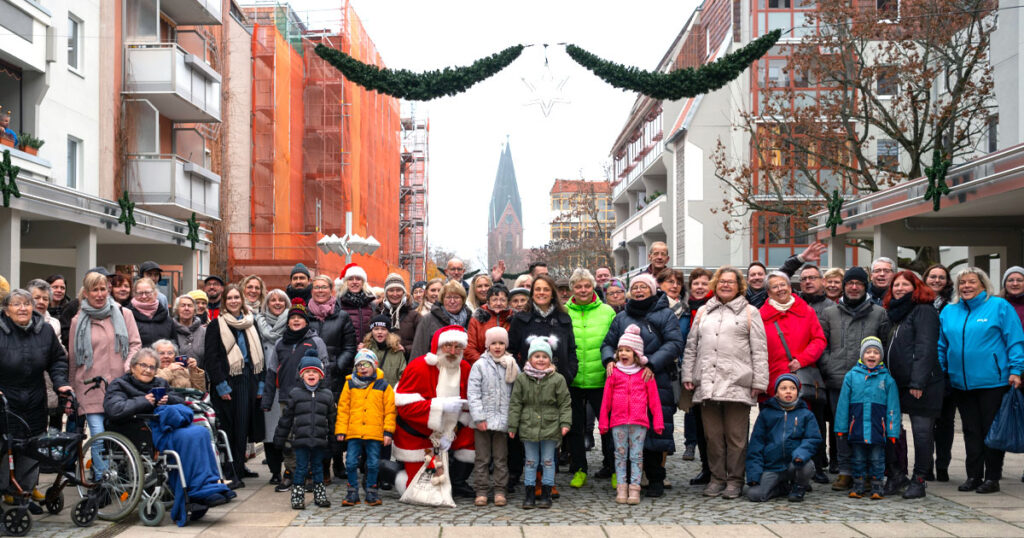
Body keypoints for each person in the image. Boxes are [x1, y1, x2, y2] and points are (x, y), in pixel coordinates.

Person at [103, 348, 233, 522]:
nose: (148, 370)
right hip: (140, 431)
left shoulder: (159, 383)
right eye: (143, 365)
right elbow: (114, 410)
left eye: (152, 367)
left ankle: (208, 485)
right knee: (187, 438)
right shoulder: (119, 385)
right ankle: (194, 492)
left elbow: (179, 399)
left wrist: (167, 399)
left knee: (201, 432)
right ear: (133, 367)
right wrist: (144, 401)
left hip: (164, 427)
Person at [682, 267, 769, 499]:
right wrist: (688, 375)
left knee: (736, 437)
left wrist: (760, 381)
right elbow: (691, 347)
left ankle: (735, 480)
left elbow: (759, 350)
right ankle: (716, 477)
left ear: (739, 285)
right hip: (707, 383)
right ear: (715, 285)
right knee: (712, 437)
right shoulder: (703, 312)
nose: (726, 285)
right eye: (722, 282)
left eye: (731, 282)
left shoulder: (750, 312)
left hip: (737, 382)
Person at [938, 267, 1024, 494]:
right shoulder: (949, 311)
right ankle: (973, 475)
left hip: (993, 382)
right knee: (971, 431)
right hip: (961, 383)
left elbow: (1014, 340)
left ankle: (992, 477)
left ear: (983, 285)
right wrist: (941, 370)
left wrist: (1016, 370)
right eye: (962, 282)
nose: (966, 286)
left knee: (990, 431)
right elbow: (942, 345)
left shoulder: (999, 307)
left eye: (971, 282)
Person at [602, 273, 684, 497]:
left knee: (655, 429)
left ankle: (655, 477)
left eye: (643, 287)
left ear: (652, 290)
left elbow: (675, 343)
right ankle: (629, 480)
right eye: (635, 287)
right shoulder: (622, 317)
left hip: (654, 378)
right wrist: (609, 360)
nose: (639, 291)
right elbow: (608, 343)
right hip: (625, 381)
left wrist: (652, 363)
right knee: (629, 427)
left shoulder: (665, 314)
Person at [818, 266, 889, 491]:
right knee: (842, 428)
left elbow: (885, 345)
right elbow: (822, 343)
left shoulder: (878, 313)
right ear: (844, 286)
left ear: (865, 285)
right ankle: (846, 471)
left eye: (859, 283)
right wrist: (829, 366)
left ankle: (868, 472)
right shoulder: (830, 312)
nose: (854, 287)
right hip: (838, 380)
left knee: (868, 428)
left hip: (870, 382)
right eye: (850, 283)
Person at [0, 289, 71, 512]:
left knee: (32, 446)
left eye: (27, 304)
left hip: (34, 397)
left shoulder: (45, 330)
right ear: (6, 310)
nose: (23, 308)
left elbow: (58, 359)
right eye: (17, 304)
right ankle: (3, 492)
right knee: (4, 448)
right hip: (4, 398)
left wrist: (60, 382)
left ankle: (23, 494)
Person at [68, 271, 142, 479]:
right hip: (90, 385)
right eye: (94, 290)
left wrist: (129, 364)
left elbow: (135, 343)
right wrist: (72, 389)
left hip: (119, 385)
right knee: (98, 434)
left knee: (118, 435)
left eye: (102, 289)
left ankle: (122, 475)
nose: (99, 294)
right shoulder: (78, 320)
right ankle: (102, 480)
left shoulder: (124, 314)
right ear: (86, 293)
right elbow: (74, 357)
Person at [392, 326, 476, 498]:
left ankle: (458, 481)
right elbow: (404, 407)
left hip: (450, 430)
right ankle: (389, 472)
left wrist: (453, 430)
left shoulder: (465, 368)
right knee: (421, 492)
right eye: (448, 346)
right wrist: (441, 406)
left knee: (473, 436)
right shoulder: (419, 366)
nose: (453, 352)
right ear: (438, 346)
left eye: (458, 347)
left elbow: (468, 407)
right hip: (418, 434)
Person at [881, 270, 943, 498]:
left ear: (916, 287)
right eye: (895, 285)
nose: (899, 288)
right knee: (893, 430)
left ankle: (919, 479)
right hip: (895, 384)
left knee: (922, 433)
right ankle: (897, 474)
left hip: (922, 384)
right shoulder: (894, 314)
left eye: (905, 285)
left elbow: (925, 348)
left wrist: (918, 381)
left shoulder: (924, 311)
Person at [263, 299, 329, 491]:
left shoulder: (316, 342)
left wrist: (325, 393)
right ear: (288, 322)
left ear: (306, 321)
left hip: (310, 397)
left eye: (300, 317)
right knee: (288, 439)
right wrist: (267, 399)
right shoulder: (280, 343)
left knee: (307, 437)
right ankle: (292, 472)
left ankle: (308, 474)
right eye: (293, 318)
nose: (296, 320)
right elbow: (272, 371)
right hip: (286, 397)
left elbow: (325, 368)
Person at [204, 284, 264, 487]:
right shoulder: (216, 325)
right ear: (224, 302)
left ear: (242, 300)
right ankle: (232, 471)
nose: (233, 301)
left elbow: (260, 354)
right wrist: (221, 385)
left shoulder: (250, 323)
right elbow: (211, 359)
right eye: (229, 298)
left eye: (236, 297)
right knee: (230, 429)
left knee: (244, 427)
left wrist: (260, 385)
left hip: (248, 379)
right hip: (228, 382)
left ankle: (240, 466)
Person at [599, 325, 664, 505]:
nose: (623, 354)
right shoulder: (614, 373)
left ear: (636, 354)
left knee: (636, 456)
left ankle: (634, 488)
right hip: (618, 421)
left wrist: (658, 422)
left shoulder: (645, 373)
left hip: (639, 421)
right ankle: (622, 487)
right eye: (620, 350)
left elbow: (654, 401)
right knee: (620, 455)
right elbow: (606, 400)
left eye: (628, 350)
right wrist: (603, 421)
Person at [564, 268, 616, 488]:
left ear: (593, 286)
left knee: (608, 426)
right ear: (572, 289)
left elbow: (614, 341)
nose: (583, 290)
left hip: (602, 377)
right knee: (575, 427)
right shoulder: (564, 312)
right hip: (573, 378)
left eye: (587, 285)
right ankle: (579, 468)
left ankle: (613, 467)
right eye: (578, 286)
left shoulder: (607, 311)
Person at [508, 335, 571, 509]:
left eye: (544, 357)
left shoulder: (557, 379)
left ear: (549, 359)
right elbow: (516, 403)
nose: (541, 360)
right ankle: (529, 493)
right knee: (530, 461)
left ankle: (546, 492)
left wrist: (565, 423)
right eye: (537, 356)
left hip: (550, 426)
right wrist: (512, 425)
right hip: (528, 426)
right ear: (530, 358)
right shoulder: (522, 379)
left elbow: (565, 403)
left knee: (548, 461)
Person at [835, 336, 901, 499]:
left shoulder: (887, 380)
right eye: (868, 352)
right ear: (862, 355)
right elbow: (843, 405)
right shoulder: (851, 376)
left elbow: (893, 408)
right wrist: (841, 429)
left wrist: (892, 432)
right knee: (857, 459)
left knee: (877, 459)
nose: (872, 355)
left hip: (877, 429)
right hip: (856, 428)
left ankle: (877, 486)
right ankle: (858, 485)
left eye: (876, 352)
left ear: (881, 356)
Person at [746, 373, 822, 503]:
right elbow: (756, 444)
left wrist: (800, 454)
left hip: (794, 464)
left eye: (792, 388)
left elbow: (812, 439)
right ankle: (783, 488)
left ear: (797, 392)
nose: (788, 391)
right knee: (754, 494)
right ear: (776, 393)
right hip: (772, 466)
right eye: (783, 388)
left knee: (807, 465)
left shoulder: (806, 414)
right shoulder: (766, 414)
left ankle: (799, 486)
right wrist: (754, 475)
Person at [335, 349, 396, 507]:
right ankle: (352, 491)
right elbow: (343, 409)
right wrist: (341, 430)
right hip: (354, 432)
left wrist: (388, 432)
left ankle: (371, 490)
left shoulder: (383, 386)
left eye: (366, 364)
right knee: (350, 462)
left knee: (373, 463)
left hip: (374, 433)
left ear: (374, 366)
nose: (362, 367)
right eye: (359, 365)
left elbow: (390, 410)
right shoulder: (349, 384)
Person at [467, 326, 519, 506]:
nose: (497, 347)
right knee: (482, 458)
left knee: (500, 458)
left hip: (503, 420)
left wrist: (513, 421)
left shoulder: (512, 365)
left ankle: (499, 490)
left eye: (501, 343)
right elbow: (473, 393)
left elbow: (516, 395)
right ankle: (481, 490)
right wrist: (479, 417)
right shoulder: (479, 365)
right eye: (494, 343)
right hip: (483, 421)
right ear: (487, 345)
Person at [275, 355, 335, 510]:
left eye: (314, 372)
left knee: (318, 468)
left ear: (321, 375)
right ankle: (297, 496)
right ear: (302, 375)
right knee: (300, 468)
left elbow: (333, 419)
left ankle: (320, 495)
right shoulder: (295, 394)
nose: (311, 375)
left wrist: (335, 440)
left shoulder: (327, 395)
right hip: (301, 440)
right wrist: (280, 438)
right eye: (307, 372)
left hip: (319, 440)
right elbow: (286, 418)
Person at [759, 272, 826, 398]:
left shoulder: (806, 311)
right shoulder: (760, 317)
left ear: (789, 287)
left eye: (783, 285)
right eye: (775, 287)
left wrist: (802, 360)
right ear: (768, 292)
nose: (780, 289)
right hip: (771, 383)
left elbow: (819, 340)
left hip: (801, 381)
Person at [256, 288, 289, 485]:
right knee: (270, 431)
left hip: (286, 383)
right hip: (267, 383)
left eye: (281, 300)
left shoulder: (293, 324)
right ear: (266, 304)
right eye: (272, 300)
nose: (277, 303)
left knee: (286, 429)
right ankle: (275, 470)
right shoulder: (257, 324)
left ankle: (289, 469)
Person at [410, 280, 472, 359]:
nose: (452, 301)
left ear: (463, 300)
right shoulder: (428, 320)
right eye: (448, 297)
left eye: (456, 297)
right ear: (442, 300)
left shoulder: (470, 319)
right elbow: (418, 351)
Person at [466, 285, 512, 364]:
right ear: (488, 301)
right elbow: (469, 348)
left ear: (508, 302)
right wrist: (484, 364)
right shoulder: (478, 318)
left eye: (502, 300)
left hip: (508, 365)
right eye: (494, 300)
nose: (498, 303)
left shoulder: (513, 318)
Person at [376, 273, 417, 351]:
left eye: (398, 290)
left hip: (406, 361)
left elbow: (421, 343)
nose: (395, 294)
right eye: (391, 290)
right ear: (386, 293)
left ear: (403, 292)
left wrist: (405, 349)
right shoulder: (377, 313)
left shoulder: (414, 316)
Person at [129, 277, 173, 348]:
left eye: (147, 293)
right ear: (134, 294)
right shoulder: (127, 316)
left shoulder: (167, 320)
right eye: (140, 293)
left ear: (155, 294)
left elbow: (174, 343)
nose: (144, 296)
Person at [338, 263, 377, 343]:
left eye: (358, 279)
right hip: (345, 351)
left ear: (363, 282)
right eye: (351, 279)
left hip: (367, 350)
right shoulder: (338, 303)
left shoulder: (372, 304)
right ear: (346, 282)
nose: (354, 282)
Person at [363, 315, 406, 388]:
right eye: (376, 329)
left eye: (383, 329)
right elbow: (358, 374)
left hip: (391, 394)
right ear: (371, 332)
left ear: (388, 332)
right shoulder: (366, 350)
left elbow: (403, 375)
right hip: (370, 395)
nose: (380, 332)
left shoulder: (397, 350)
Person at [171, 294, 206, 368]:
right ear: (177, 309)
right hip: (176, 377)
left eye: (190, 305)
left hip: (198, 377)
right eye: (183, 305)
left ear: (194, 310)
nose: (186, 308)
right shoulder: (170, 330)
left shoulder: (204, 332)